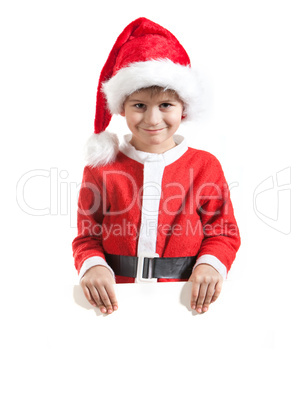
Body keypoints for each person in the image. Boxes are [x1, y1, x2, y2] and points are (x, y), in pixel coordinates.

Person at [72, 17, 241, 315]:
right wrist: (93, 267)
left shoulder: (204, 166)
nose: (152, 119)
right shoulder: (101, 169)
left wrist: (210, 265)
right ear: (122, 107)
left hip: (184, 303)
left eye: (165, 105)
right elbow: (88, 235)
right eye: (139, 105)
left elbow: (222, 231)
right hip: (115, 304)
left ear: (183, 108)